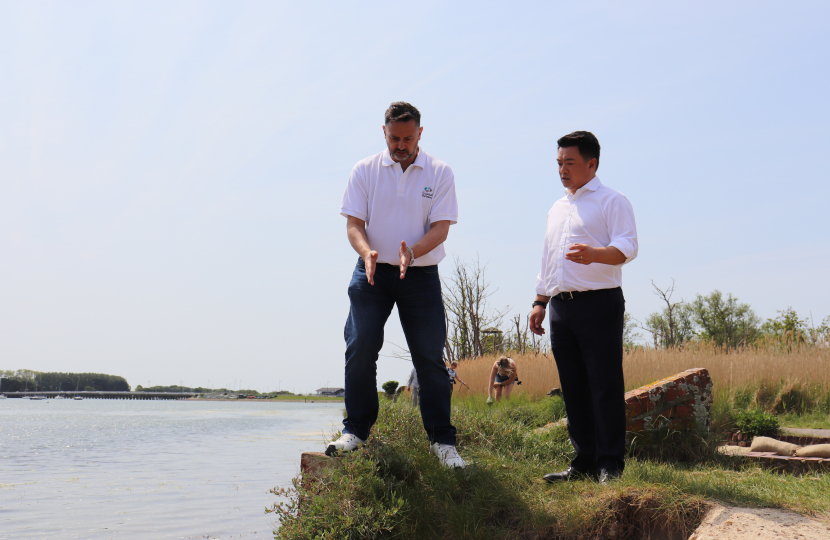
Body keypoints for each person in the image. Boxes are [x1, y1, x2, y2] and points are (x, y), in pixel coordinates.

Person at [327, 102, 465, 469]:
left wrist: (413, 252)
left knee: (429, 358)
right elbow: (354, 223)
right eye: (394, 138)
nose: (400, 145)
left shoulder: (440, 171)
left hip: (418, 274)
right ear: (383, 133)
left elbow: (441, 228)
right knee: (360, 348)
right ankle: (354, 431)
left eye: (407, 138)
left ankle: (442, 442)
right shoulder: (364, 170)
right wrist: (367, 251)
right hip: (370, 272)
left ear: (420, 133)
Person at [529, 131, 638, 485]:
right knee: (573, 387)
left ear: (591, 164)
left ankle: (610, 465)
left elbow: (627, 248)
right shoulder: (556, 208)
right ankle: (584, 463)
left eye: (570, 163)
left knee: (604, 385)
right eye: (559, 163)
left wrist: (594, 255)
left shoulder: (612, 201)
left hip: (599, 303)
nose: (562, 170)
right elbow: (547, 260)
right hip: (561, 308)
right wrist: (539, 302)